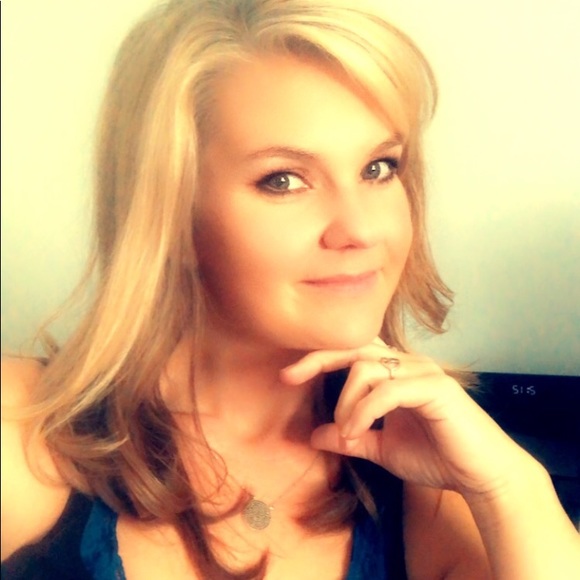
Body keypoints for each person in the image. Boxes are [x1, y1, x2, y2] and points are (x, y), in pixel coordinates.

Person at [2, 0, 579, 578]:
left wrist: (514, 487)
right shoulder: (21, 432)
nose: (361, 230)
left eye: (379, 168)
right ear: (170, 215)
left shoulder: (431, 479)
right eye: (283, 180)